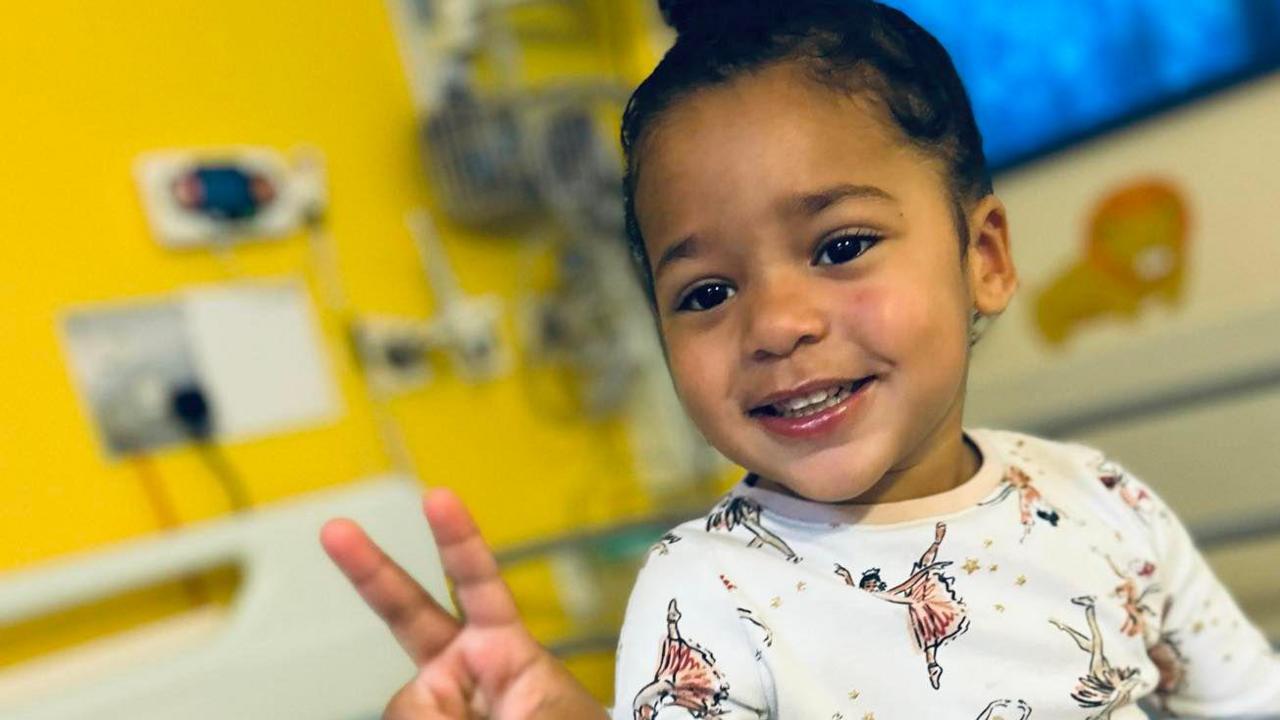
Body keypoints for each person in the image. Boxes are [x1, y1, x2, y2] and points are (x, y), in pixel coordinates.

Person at [320, 1, 1280, 717]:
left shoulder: (1105, 505)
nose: (774, 324)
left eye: (839, 246)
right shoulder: (709, 593)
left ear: (983, 256)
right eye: (706, 293)